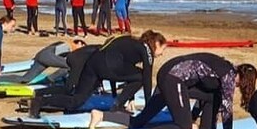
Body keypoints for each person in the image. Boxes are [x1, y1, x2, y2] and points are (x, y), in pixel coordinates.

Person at [114, 54, 257, 129]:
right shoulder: (228, 77)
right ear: (246, 81)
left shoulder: (225, 69)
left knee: (213, 97)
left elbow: (208, 99)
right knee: (183, 127)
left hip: (171, 74)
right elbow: (227, 113)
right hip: (172, 78)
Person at [29, 30, 168, 117]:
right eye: (163, 49)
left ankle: (40, 101)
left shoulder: (131, 41)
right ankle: (118, 106)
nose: (162, 54)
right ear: (156, 43)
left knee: (77, 100)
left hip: (93, 64)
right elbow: (147, 77)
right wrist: (149, 106)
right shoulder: (146, 49)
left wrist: (123, 95)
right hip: (107, 67)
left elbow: (122, 67)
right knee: (141, 75)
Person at [0, 39, 86, 85]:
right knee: (70, 66)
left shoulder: (65, 47)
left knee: (25, 79)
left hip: (41, 57)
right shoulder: (67, 45)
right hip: (46, 56)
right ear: (77, 43)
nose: (81, 50)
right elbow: (59, 57)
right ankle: (51, 79)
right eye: (82, 46)